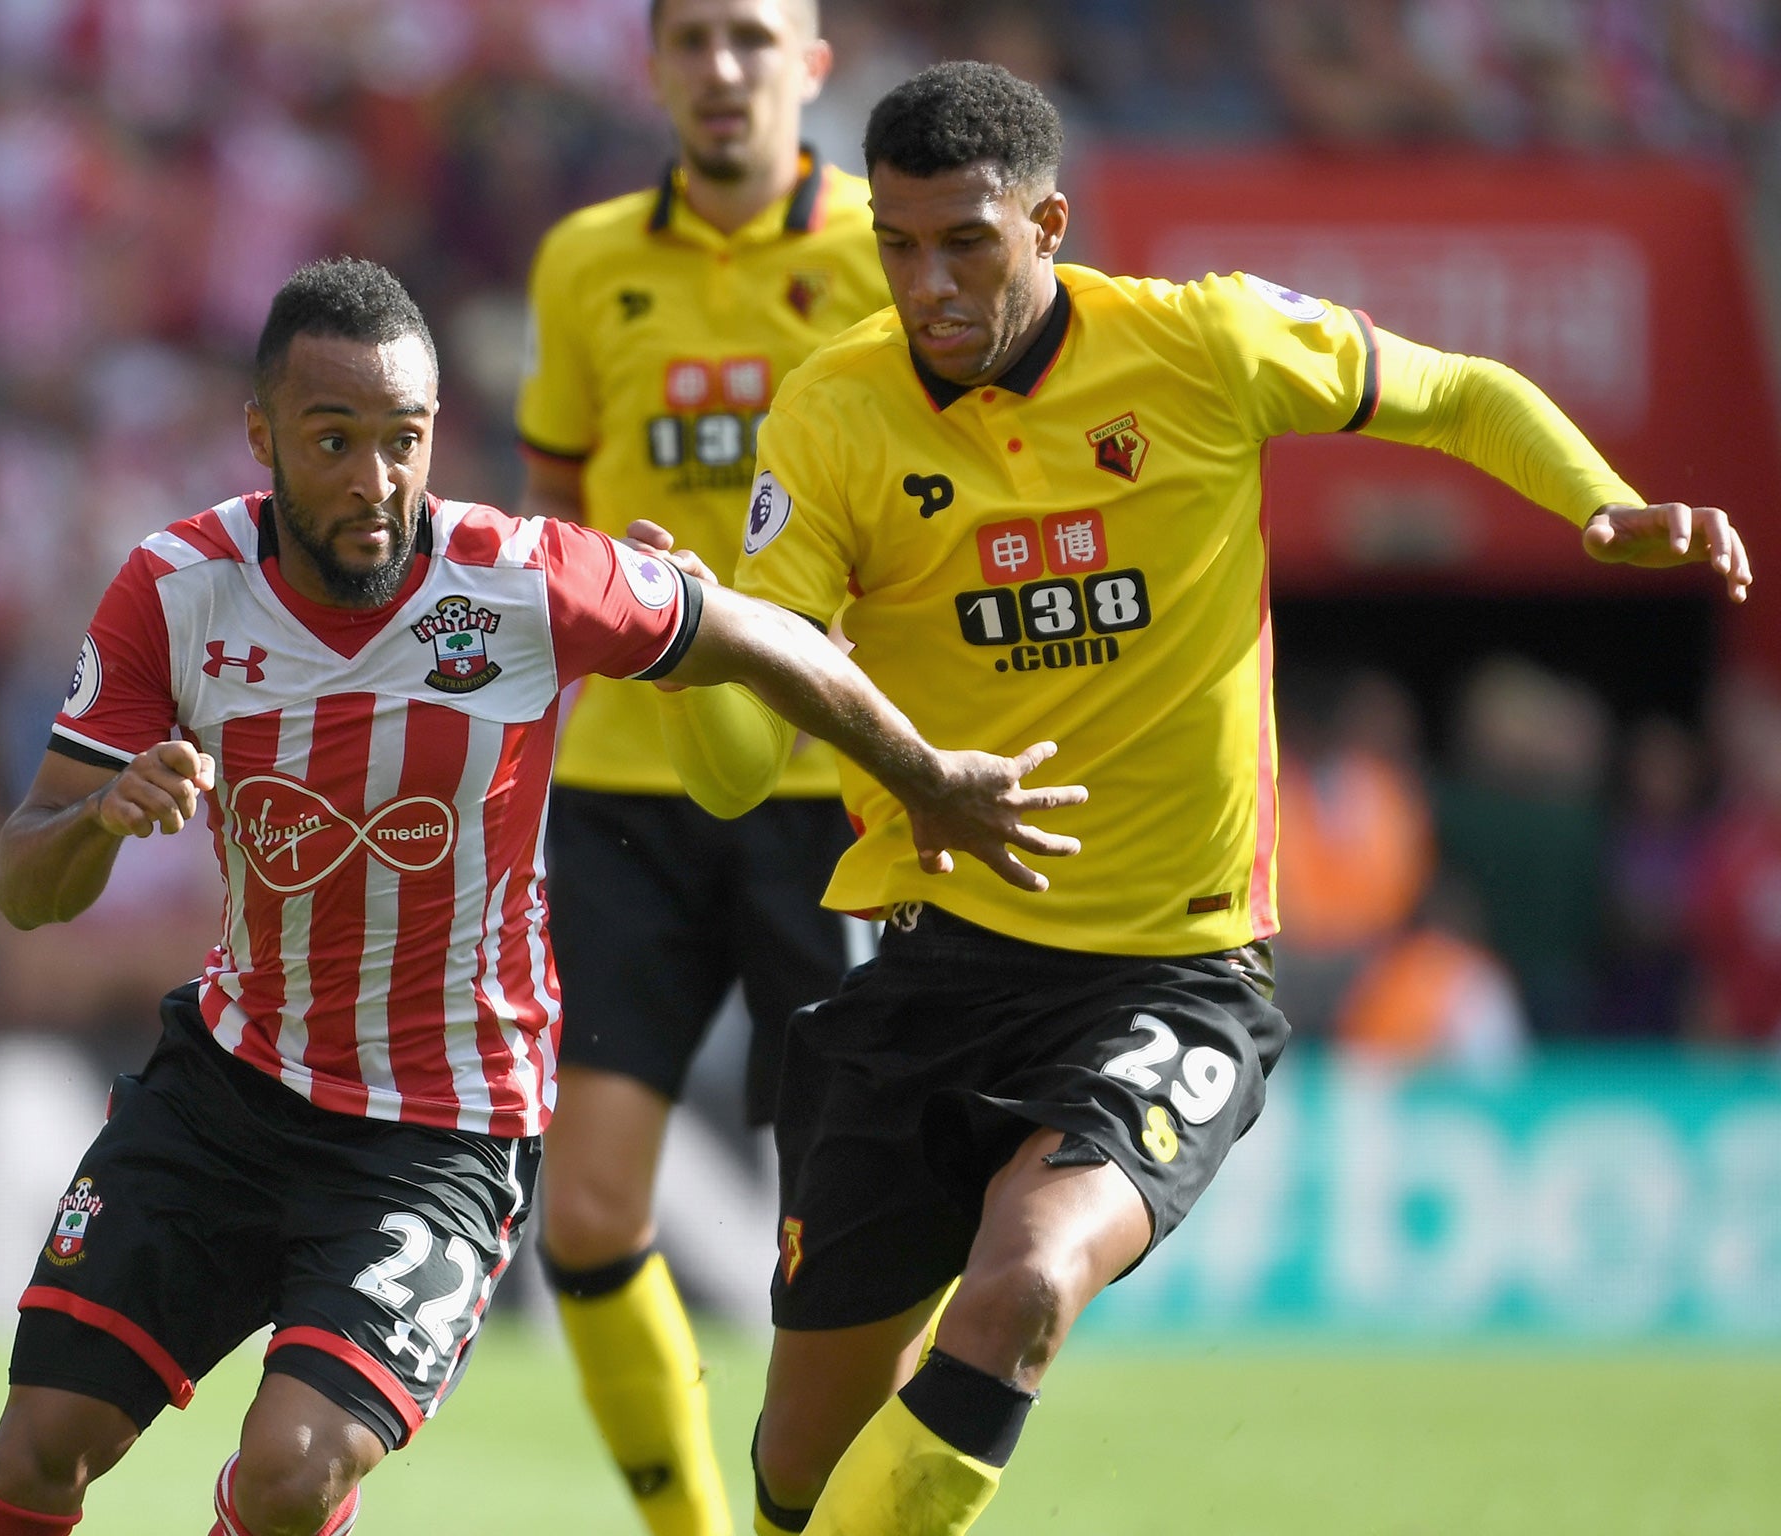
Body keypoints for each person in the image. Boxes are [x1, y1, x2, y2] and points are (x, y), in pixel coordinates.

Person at [655, 61, 1753, 1536]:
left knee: (1029, 1285)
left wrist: (1593, 501)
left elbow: (1458, 391)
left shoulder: (1203, 344)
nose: (930, 285)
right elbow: (735, 761)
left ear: (1050, 219)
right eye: (898, 247)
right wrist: (689, 647)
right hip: (928, 964)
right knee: (795, 1471)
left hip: (1169, 975)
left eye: (966, 242)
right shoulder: (834, 413)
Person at [0, 255, 1085, 1536]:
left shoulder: (520, 581)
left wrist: (920, 774)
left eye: (405, 440)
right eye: (333, 441)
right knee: (41, 1448)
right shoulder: (175, 589)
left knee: (291, 1471)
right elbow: (25, 884)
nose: (376, 484)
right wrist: (100, 816)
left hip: (439, 1127)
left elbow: (756, 632)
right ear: (260, 436)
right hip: (227, 1092)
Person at [513, 3, 889, 1531]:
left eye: (754, 38)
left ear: (810, 64)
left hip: (833, 796)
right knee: (587, 1217)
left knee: (854, 1231)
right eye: (694, 41)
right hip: (626, 790)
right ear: (655, 68)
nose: (722, 70)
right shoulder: (585, 259)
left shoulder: (893, 247)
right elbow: (555, 510)